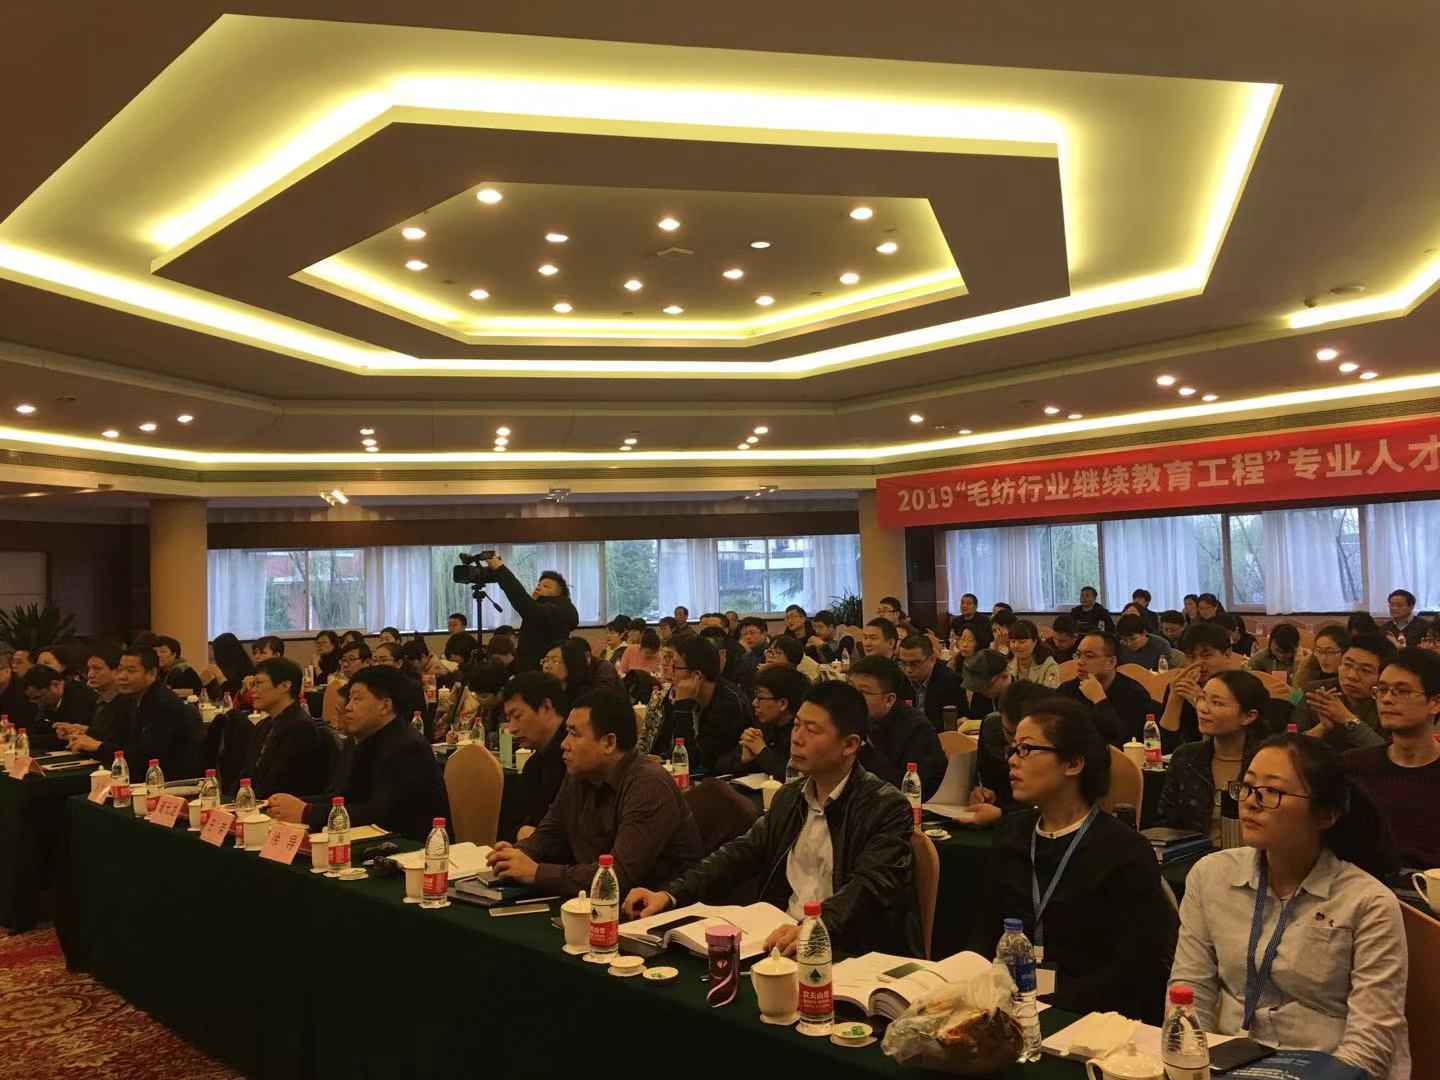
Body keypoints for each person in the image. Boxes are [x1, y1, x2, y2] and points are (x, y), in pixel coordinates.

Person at [625, 680, 922, 957]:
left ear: (850, 745)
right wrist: (669, 894)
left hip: (847, 950)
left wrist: (813, 929)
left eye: (812, 731)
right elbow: (739, 854)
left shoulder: (886, 807)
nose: (797, 738)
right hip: (779, 939)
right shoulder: (790, 797)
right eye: (797, 725)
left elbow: (868, 889)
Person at [1169, 735, 1408, 1078]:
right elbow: (1189, 990)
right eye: (1247, 787)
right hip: (1230, 1064)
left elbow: (1371, 1043)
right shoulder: (1211, 876)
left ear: (1325, 815)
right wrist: (1188, 1067)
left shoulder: (1367, 902)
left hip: (1330, 1068)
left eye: (1272, 792)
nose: (1251, 803)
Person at [971, 698, 1174, 1023]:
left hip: (1091, 1019)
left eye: (1026, 749)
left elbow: (1133, 967)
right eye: (1012, 748)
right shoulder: (1013, 832)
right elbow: (985, 933)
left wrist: (1050, 1006)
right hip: (1008, 1008)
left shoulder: (1124, 850)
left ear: (1073, 764)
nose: (1012, 760)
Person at [487, 688, 702, 895]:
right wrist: (517, 854)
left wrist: (536, 873)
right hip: (600, 902)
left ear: (608, 742)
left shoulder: (648, 785)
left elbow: (618, 876)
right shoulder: (579, 775)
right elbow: (548, 834)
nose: (564, 744)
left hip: (656, 907)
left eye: (574, 734)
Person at [266, 664, 449, 842]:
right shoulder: (358, 741)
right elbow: (341, 797)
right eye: (349, 699)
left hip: (410, 848)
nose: (348, 707)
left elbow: (379, 815)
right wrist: (292, 803)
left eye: (357, 699)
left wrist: (307, 812)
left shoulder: (408, 748)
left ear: (385, 706)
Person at [1341, 647, 1440, 870]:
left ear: (1435, 703)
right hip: (1363, 884)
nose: (1386, 699)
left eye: (1401, 691)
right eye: (1382, 690)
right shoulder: (1353, 767)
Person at [1155, 670, 1267, 844]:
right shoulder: (1186, 758)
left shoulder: (1266, 764)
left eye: (1216, 703)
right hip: (1191, 856)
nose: (1202, 708)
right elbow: (1166, 825)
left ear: (1249, 716)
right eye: (1202, 698)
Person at [65, 646, 199, 777]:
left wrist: (98, 746)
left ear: (152, 673)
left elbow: (146, 756)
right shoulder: (129, 699)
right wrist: (86, 736)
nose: (122, 676)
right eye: (120, 670)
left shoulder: (163, 704)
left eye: (130, 671)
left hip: (168, 779)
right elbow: (116, 737)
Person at [848, 655, 947, 799]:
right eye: (850, 688)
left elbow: (908, 788)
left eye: (863, 692)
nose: (852, 697)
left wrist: (863, 749)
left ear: (889, 699)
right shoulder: (853, 720)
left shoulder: (916, 729)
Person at [652, 636, 751, 773]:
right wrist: (663, 758)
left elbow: (695, 760)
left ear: (697, 675)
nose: (671, 673)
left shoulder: (729, 705)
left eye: (675, 667)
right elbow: (684, 746)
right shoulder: (693, 695)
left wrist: (683, 707)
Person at [966, 680, 1054, 824]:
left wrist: (1002, 813)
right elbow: (989, 781)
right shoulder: (992, 728)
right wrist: (984, 794)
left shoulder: (1054, 741)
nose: (1015, 743)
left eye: (1025, 740)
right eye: (1010, 733)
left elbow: (1052, 801)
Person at [241, 657, 331, 799]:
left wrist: (248, 802)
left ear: (284, 686)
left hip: (280, 804)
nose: (252, 690)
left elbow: (280, 782)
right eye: (253, 684)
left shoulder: (300, 727)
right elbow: (246, 774)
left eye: (258, 683)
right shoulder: (264, 725)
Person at [1291, 632, 1392, 751]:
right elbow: (1290, 747)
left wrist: (1348, 719)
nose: (1352, 676)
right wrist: (1322, 728)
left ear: (1384, 675)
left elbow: (1391, 753)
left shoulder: (1390, 702)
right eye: (1347, 665)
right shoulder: (1317, 693)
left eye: (1365, 670)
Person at [500, 672, 569, 839]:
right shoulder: (534, 765)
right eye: (509, 719)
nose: (512, 728)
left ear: (546, 707)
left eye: (517, 716)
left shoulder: (574, 760)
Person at [1057, 632, 1156, 745]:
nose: (1080, 662)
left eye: (1089, 656)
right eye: (1078, 655)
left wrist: (1099, 699)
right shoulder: (1067, 690)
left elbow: (1125, 741)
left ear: (1111, 662)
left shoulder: (1135, 694)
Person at [486, 553, 579, 672]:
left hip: (543, 671)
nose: (539, 587)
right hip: (529, 669)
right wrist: (534, 600)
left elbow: (523, 602)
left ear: (558, 594)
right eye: (539, 584)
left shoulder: (560, 610)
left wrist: (500, 569)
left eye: (546, 586)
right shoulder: (543, 607)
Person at [1159, 621, 1244, 749]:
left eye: (1206, 655)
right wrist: (1174, 698)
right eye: (1191, 657)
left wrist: (1201, 703)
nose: (1198, 663)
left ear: (1227, 654)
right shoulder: (1183, 686)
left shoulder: (1240, 688)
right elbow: (1164, 747)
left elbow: (1231, 744)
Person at [716, 664, 808, 779]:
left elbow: (795, 776)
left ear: (782, 704)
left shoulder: (801, 734)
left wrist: (761, 751)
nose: (754, 703)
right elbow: (719, 765)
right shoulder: (764, 726)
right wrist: (744, 758)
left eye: (760, 697)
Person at [52, 646, 127, 744]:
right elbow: (100, 734)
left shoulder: (126, 701)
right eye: (89, 669)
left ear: (117, 671)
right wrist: (78, 731)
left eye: (97, 669)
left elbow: (117, 739)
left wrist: (85, 731)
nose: (90, 675)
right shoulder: (102, 700)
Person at [896, 633, 965, 731]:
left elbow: (954, 723)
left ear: (932, 660)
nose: (908, 670)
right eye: (903, 663)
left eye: (914, 664)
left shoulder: (951, 682)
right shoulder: (899, 679)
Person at [21, 664, 97, 751]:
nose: (38, 703)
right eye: (33, 699)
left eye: (39, 697)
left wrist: (26, 740)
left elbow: (65, 738)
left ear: (55, 685)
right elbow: (38, 728)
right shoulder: (49, 702)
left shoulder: (81, 696)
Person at [439, 658, 508, 743]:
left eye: (484, 696)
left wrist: (479, 736)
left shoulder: (510, 710)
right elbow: (474, 731)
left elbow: (504, 738)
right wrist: (459, 736)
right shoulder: (483, 708)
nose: (480, 700)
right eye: (477, 695)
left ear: (501, 691)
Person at [322, 640, 369, 729]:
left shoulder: (373, 686)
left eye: (351, 659)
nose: (345, 664)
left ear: (367, 662)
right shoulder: (337, 685)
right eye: (343, 660)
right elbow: (330, 722)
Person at [199, 632, 255, 703]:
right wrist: (204, 683)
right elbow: (210, 696)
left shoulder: (246, 671)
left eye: (215, 651)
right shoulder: (223, 669)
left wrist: (220, 677)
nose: (213, 655)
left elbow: (233, 697)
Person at [1116, 613, 1181, 672]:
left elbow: (1165, 673)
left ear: (1144, 633)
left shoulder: (1161, 645)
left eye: (1133, 639)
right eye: (1125, 640)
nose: (1129, 644)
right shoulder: (1120, 646)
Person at [960, 649, 1011, 722]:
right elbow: (975, 718)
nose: (981, 690)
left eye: (985, 686)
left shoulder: (1022, 698)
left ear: (1004, 676)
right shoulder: (980, 691)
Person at [1007, 619, 1061, 688]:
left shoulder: (1049, 665)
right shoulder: (1007, 663)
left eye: (1022, 642)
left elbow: (1051, 692)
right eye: (1013, 641)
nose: (1016, 646)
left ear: (1035, 641)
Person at [1293, 625, 1348, 689]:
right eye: (1319, 651)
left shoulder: (1351, 681)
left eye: (1330, 652)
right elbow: (1298, 687)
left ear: (1345, 652)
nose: (1323, 658)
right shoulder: (1309, 668)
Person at [732, 616, 770, 693]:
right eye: (745, 634)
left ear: (764, 634)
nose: (748, 637)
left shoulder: (772, 656)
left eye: (752, 633)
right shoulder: (744, 657)